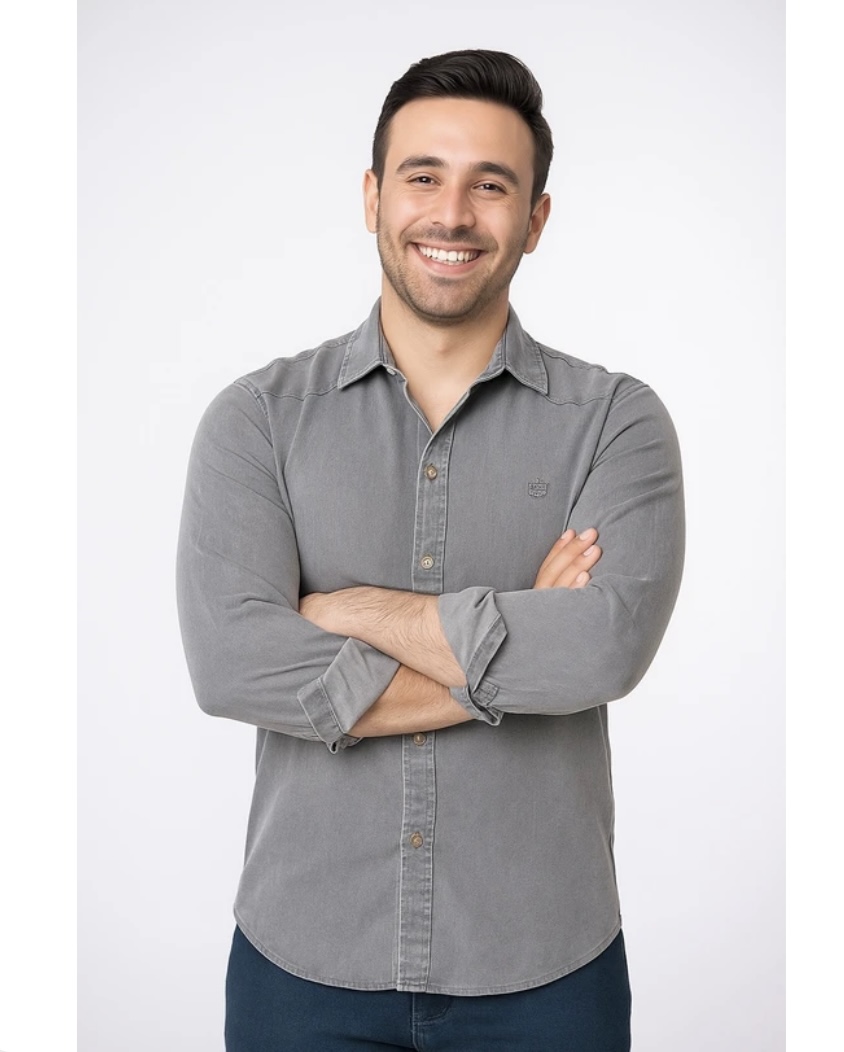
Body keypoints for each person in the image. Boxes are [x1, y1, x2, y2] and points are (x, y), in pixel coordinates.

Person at [177, 48, 684, 1052]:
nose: (451, 215)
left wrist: (349, 611)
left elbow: (599, 651)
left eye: (490, 185)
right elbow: (231, 662)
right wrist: (512, 648)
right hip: (302, 961)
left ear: (534, 218)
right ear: (373, 196)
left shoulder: (616, 423)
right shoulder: (257, 420)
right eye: (423, 176)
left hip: (545, 966)